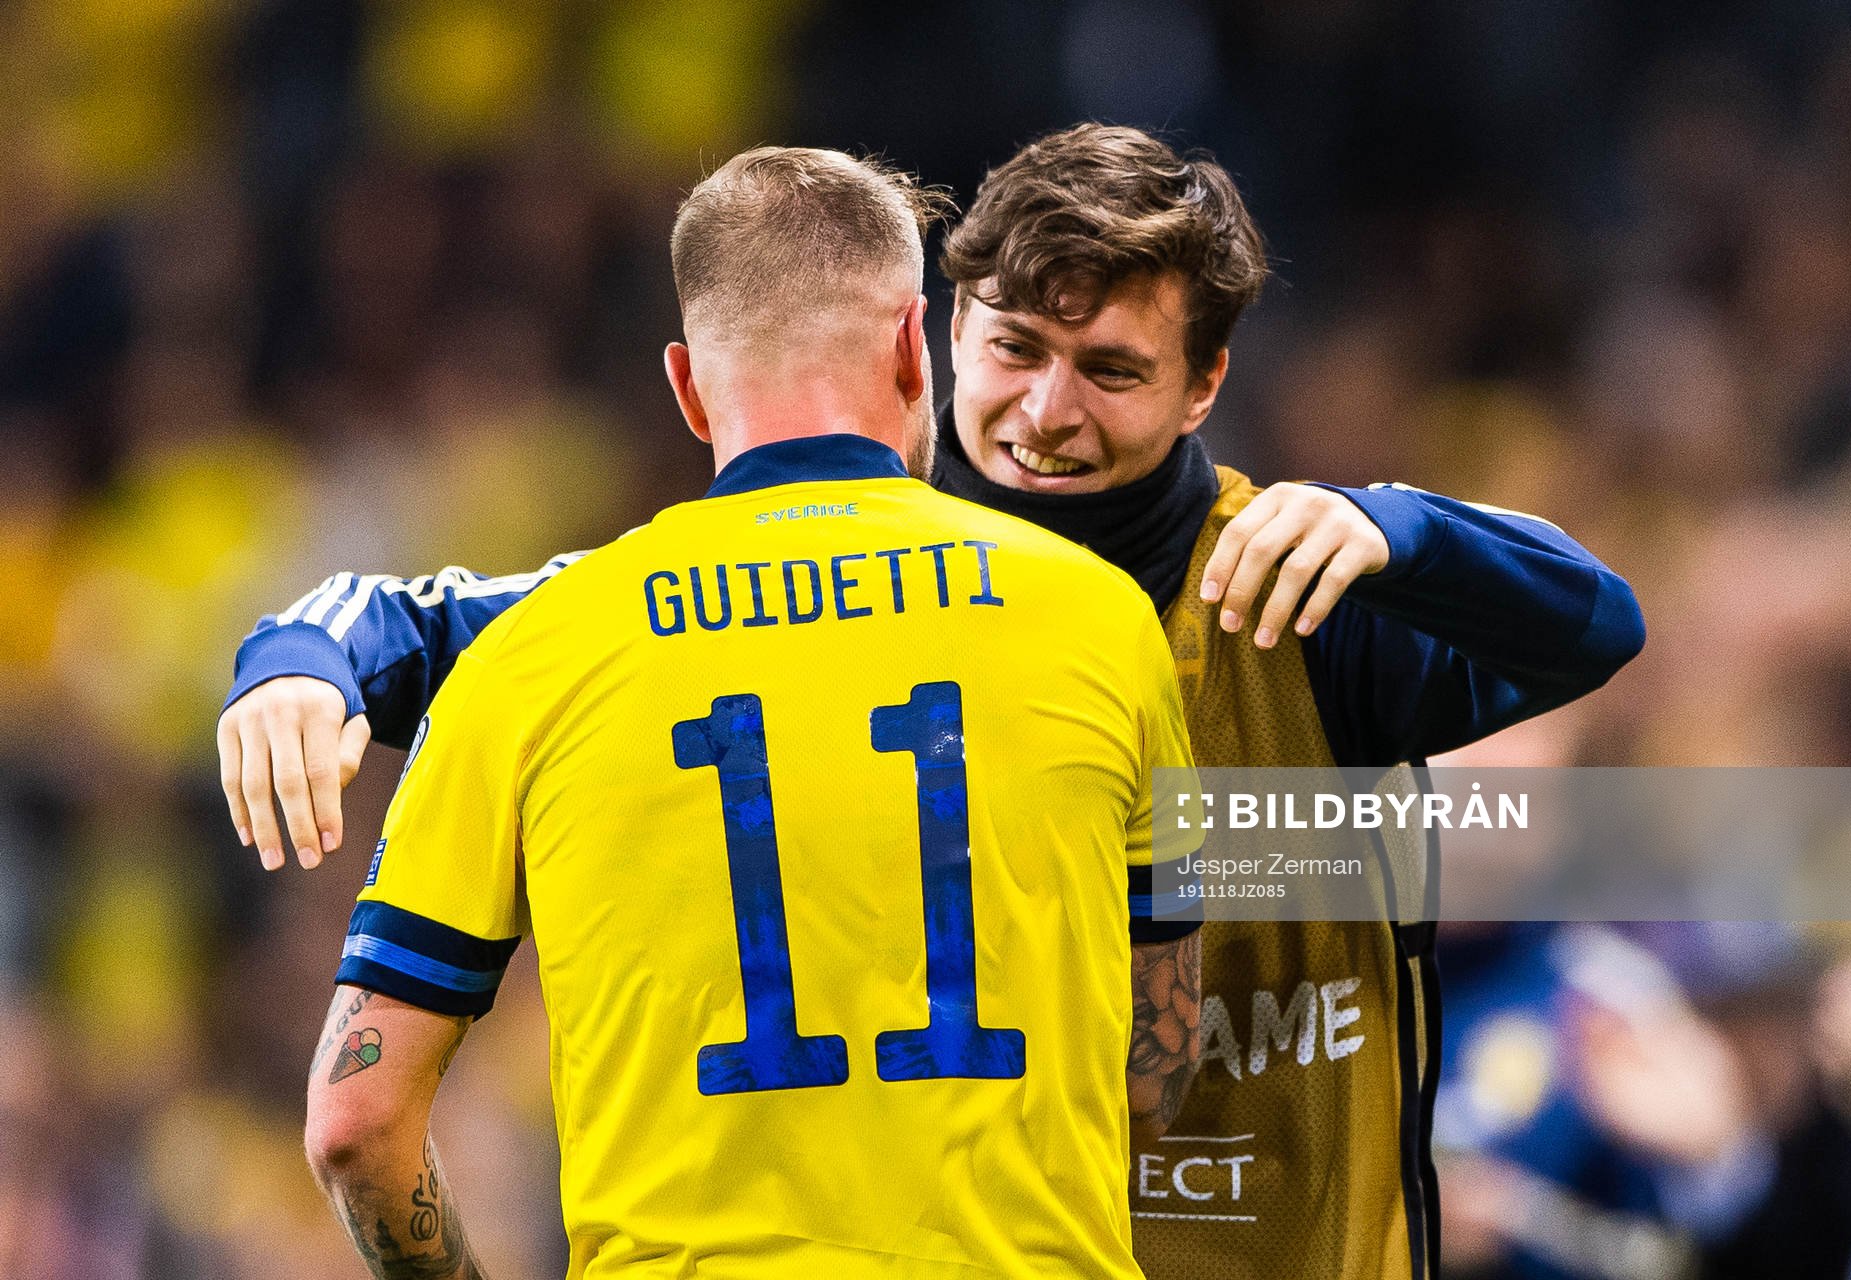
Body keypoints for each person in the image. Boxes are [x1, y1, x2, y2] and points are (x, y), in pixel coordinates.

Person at [228, 125, 1645, 1278]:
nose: (1043, 413)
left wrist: (1406, 529)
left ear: (1207, 382)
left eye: (1111, 370)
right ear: (935, 340)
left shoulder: (1297, 588)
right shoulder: (837, 572)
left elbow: (1596, 625)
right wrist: (301, 659)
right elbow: (448, 623)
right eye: (1014, 349)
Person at [298, 145, 1205, 1279]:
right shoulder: (1097, 617)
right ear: (913, 349)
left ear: (687, 386)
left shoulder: (532, 654)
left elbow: (354, 1126)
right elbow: (1155, 1068)